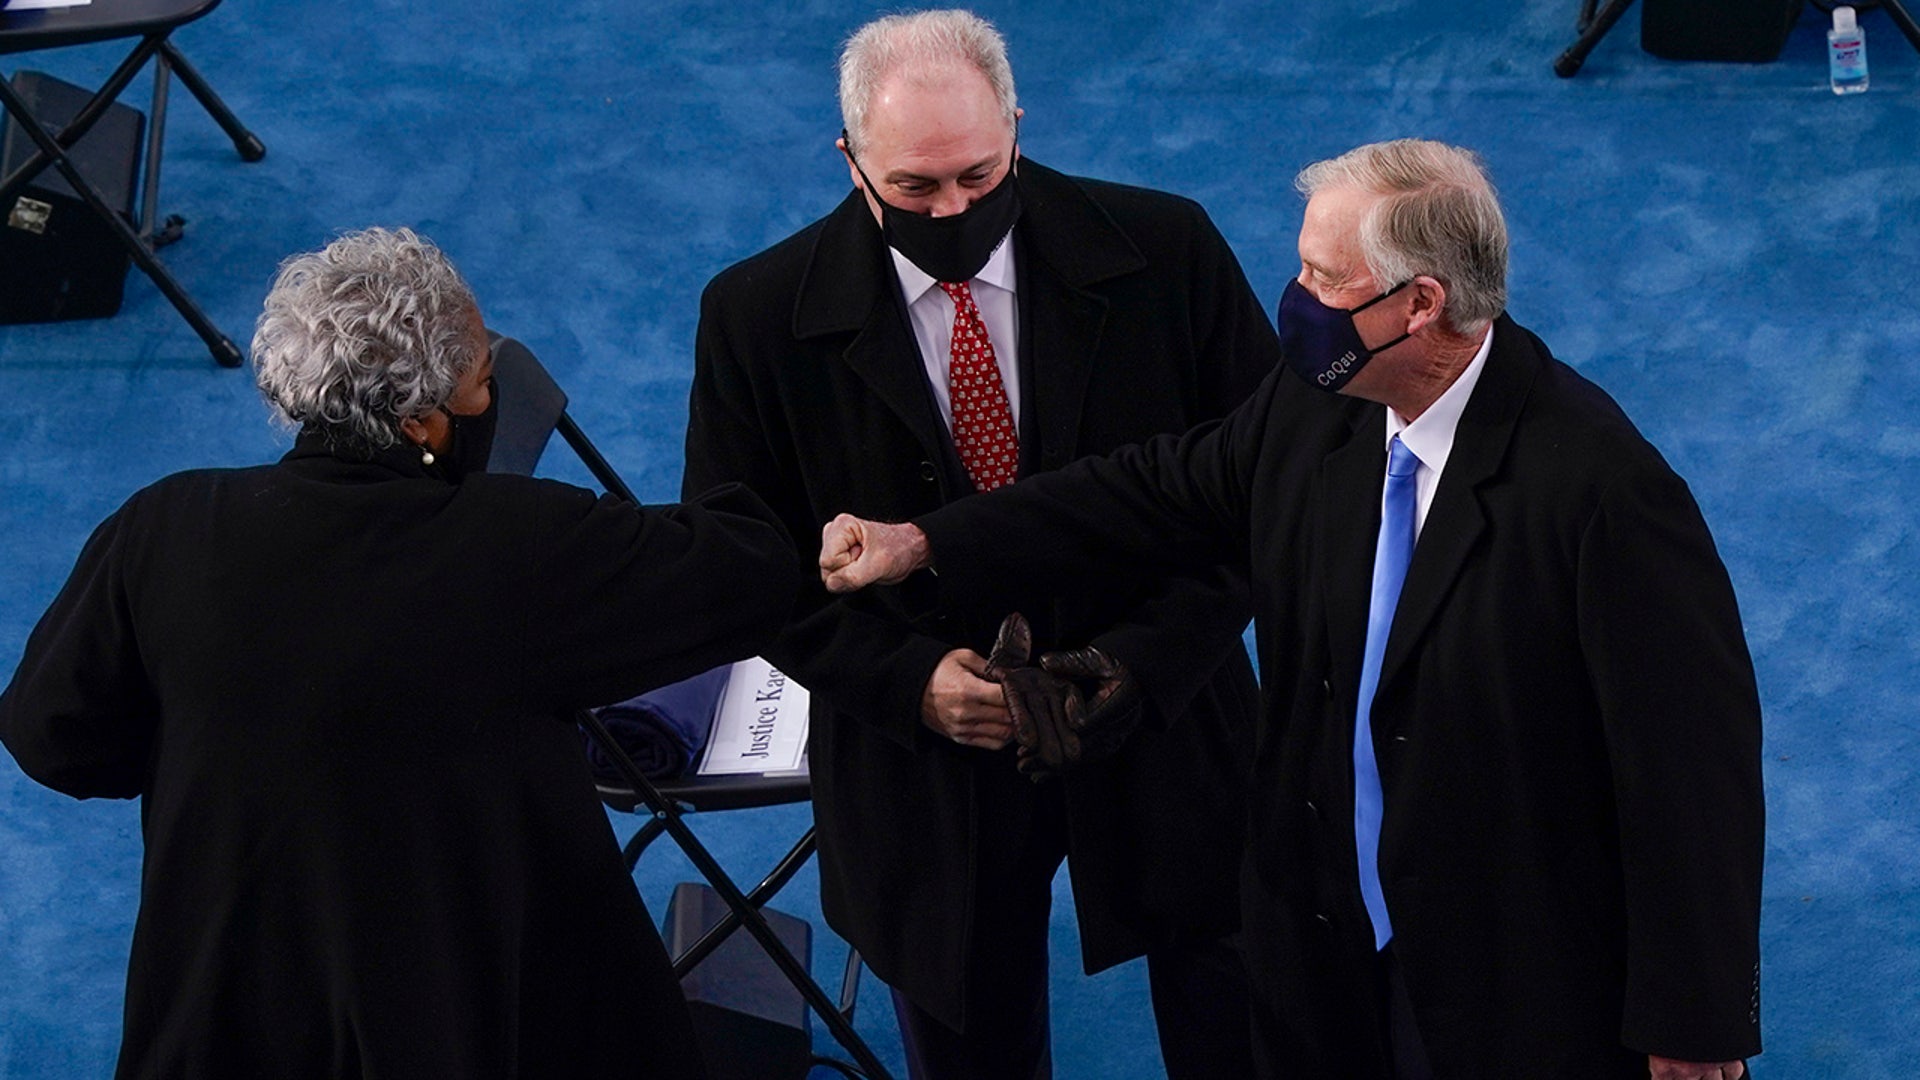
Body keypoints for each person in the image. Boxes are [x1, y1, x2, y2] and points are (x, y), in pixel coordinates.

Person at [820, 139, 1766, 1080]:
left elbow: (1690, 773)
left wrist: (1695, 1015)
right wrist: (928, 541)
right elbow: (1151, 491)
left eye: (1323, 276)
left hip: (1504, 974)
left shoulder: (1603, 493)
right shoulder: (1324, 404)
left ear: (1420, 303)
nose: (1298, 296)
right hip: (1319, 950)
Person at [0, 227, 802, 1080]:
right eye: (483, 386)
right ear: (423, 421)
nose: (492, 405)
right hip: (474, 1017)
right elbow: (751, 570)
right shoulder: (517, 546)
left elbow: (50, 734)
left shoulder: (162, 527)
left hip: (221, 1018)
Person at [682, 9, 1279, 1077]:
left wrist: (1140, 665)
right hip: (924, 765)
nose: (952, 207)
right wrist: (909, 682)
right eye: (915, 188)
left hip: (1168, 712)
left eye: (978, 175)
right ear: (849, 159)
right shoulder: (755, 319)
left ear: (1016, 125)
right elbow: (743, 567)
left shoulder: (1169, 250)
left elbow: (1263, 491)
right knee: (971, 1042)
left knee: (1236, 1010)